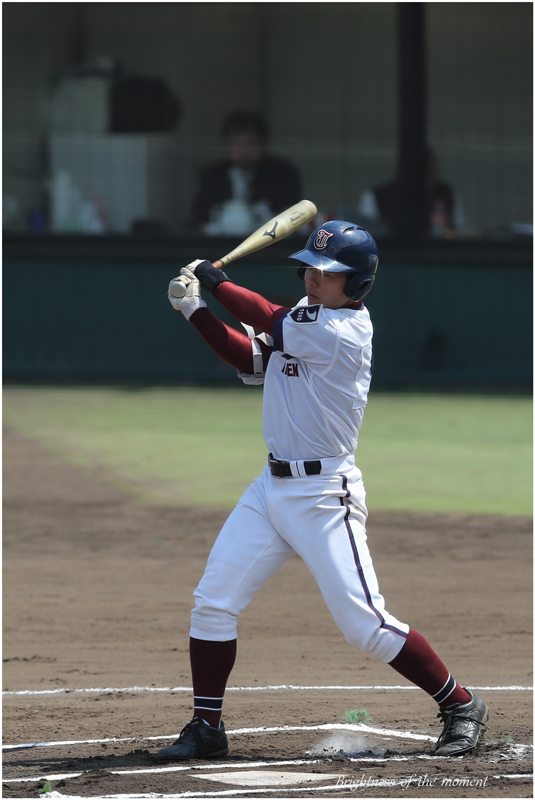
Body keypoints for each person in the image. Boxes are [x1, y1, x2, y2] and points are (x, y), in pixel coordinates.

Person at [158, 221, 489, 761]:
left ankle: (461, 704)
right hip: (270, 490)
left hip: (323, 496)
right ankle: (207, 726)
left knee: (366, 623)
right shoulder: (305, 323)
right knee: (212, 603)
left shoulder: (342, 329)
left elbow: (265, 316)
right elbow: (250, 357)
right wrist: (194, 310)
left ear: (356, 285)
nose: (314, 279)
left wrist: (214, 281)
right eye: (310, 269)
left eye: (328, 274)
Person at [190, 110, 302, 235]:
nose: (244, 151)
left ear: (263, 145)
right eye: (237, 144)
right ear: (226, 146)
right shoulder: (213, 175)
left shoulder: (282, 174)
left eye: (251, 143)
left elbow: (292, 217)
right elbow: (199, 219)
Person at [357, 149, 465, 238]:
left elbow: (461, 233)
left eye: (428, 175)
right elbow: (365, 239)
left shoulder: (446, 195)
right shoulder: (375, 197)